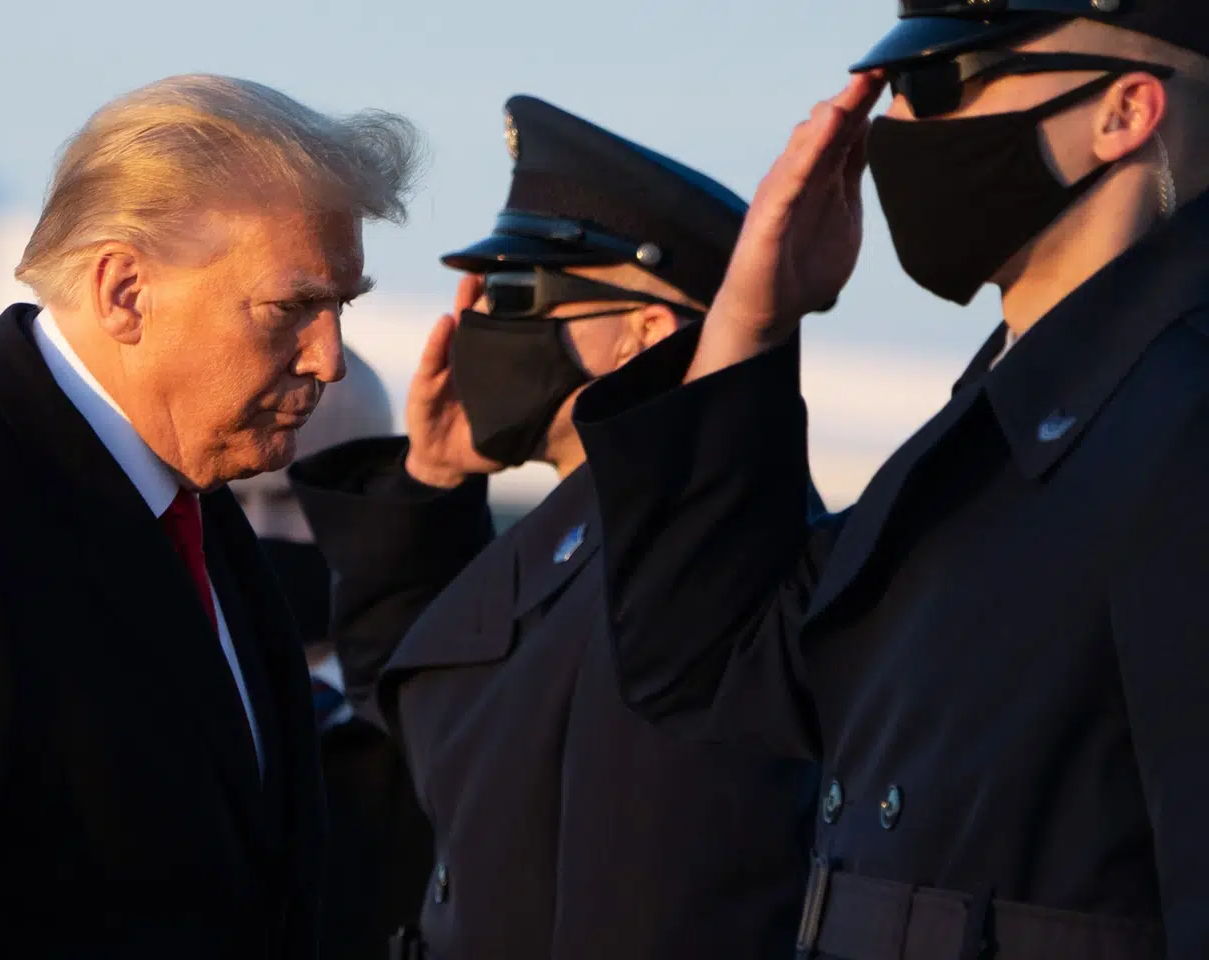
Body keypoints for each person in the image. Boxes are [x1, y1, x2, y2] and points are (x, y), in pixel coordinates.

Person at [572, 2, 1209, 957]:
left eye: (934, 84)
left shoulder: (1181, 413)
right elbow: (708, 665)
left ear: (1122, 112)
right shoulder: (988, 429)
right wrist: (750, 322)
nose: (888, 133)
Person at [0, 75, 421, 959]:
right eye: (293, 306)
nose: (330, 358)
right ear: (124, 291)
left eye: (340, 306)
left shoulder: (193, 505)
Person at [289, 96, 817, 960]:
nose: (481, 324)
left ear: (644, 333)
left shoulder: (710, 551)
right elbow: (429, 722)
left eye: (517, 294)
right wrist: (433, 483)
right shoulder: (577, 529)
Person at [231, 348, 436, 960]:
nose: (259, 532)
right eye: (230, 505)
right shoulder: (146, 700)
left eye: (291, 502)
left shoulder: (448, 705)